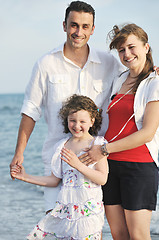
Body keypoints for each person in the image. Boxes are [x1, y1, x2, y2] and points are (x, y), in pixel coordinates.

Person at [9, 1, 123, 214]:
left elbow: (130, 84)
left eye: (85, 26)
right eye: (74, 25)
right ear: (64, 25)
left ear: (92, 29)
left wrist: (152, 73)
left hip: (95, 162)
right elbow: (31, 110)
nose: (79, 32)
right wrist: (19, 152)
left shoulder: (109, 63)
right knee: (55, 223)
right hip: (57, 161)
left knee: (88, 228)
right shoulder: (46, 63)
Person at [81, 23, 159, 240]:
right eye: (121, 50)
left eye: (132, 47)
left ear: (146, 47)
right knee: (118, 235)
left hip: (139, 168)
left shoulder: (155, 83)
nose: (127, 54)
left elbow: (148, 133)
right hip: (109, 167)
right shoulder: (119, 80)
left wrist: (103, 149)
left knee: (138, 236)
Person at [11, 94, 108, 240]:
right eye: (72, 120)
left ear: (92, 121)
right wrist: (25, 177)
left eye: (82, 121)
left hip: (89, 209)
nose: (76, 125)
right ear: (66, 120)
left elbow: (102, 179)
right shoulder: (61, 146)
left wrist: (78, 165)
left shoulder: (98, 144)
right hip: (66, 210)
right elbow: (54, 180)